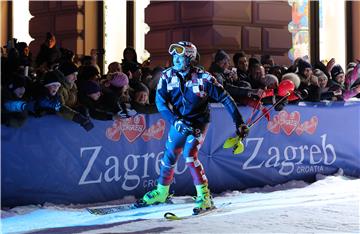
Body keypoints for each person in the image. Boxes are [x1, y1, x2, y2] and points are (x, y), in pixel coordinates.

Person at [138, 41, 249, 214]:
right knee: (170, 153)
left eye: (180, 57)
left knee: (190, 155)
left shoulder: (204, 78)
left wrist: (239, 122)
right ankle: (162, 192)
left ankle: (205, 197)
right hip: (179, 121)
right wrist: (175, 121)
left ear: (189, 59)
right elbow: (160, 103)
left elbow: (226, 99)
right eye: (174, 56)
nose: (175, 60)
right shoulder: (167, 76)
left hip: (198, 122)